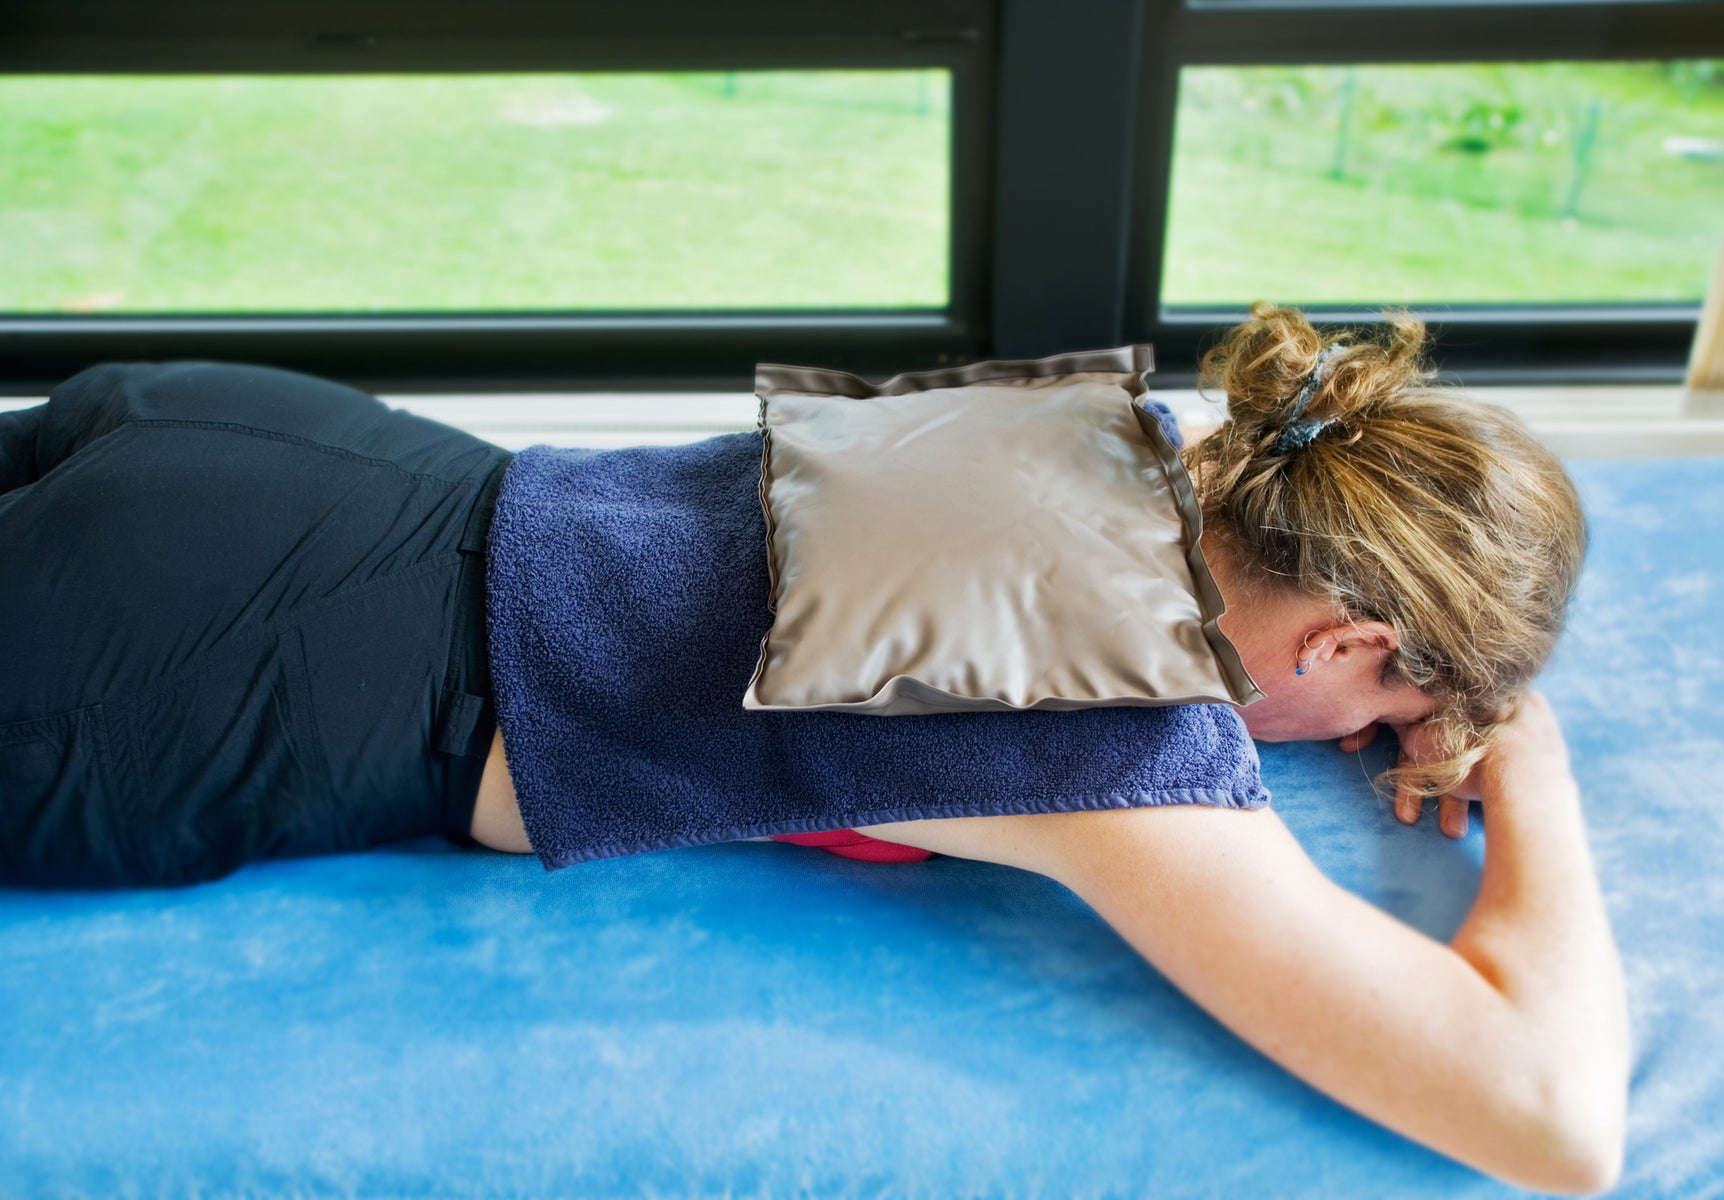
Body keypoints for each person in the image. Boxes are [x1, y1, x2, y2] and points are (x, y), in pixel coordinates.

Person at [0, 302, 1628, 1193]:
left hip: (274, 443)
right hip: (217, 673)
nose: (1357, 749)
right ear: (1350, 639)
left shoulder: (1155, 438)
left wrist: (1418, 681)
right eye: (1390, 711)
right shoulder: (1124, 753)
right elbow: (1553, 1123)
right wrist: (1530, 776)